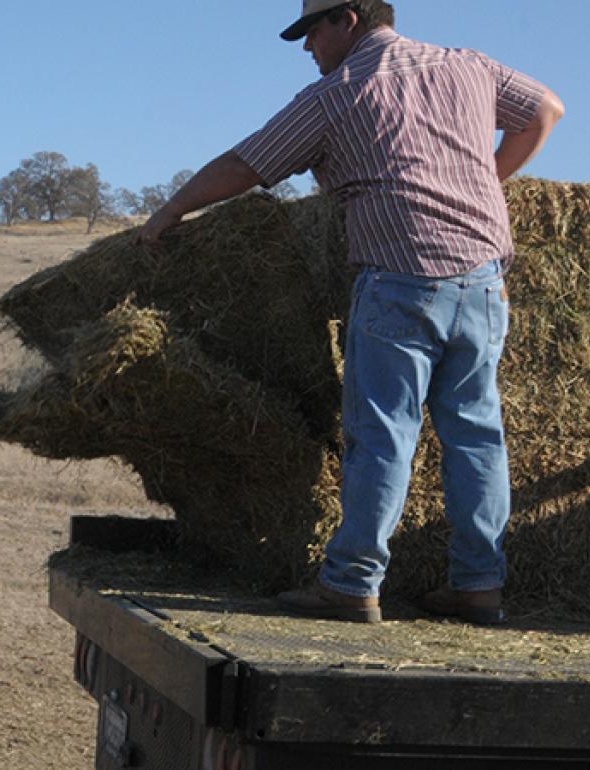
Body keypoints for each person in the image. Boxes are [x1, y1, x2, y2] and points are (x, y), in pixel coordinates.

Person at [135, 0, 564, 625]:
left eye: (311, 31)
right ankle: (479, 586)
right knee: (475, 437)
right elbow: (545, 110)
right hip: (483, 281)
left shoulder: (335, 96)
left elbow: (246, 164)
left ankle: (353, 582)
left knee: (384, 434)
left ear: (348, 20)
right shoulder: (468, 67)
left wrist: (169, 212)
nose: (307, 47)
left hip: (401, 279)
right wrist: (487, 184)